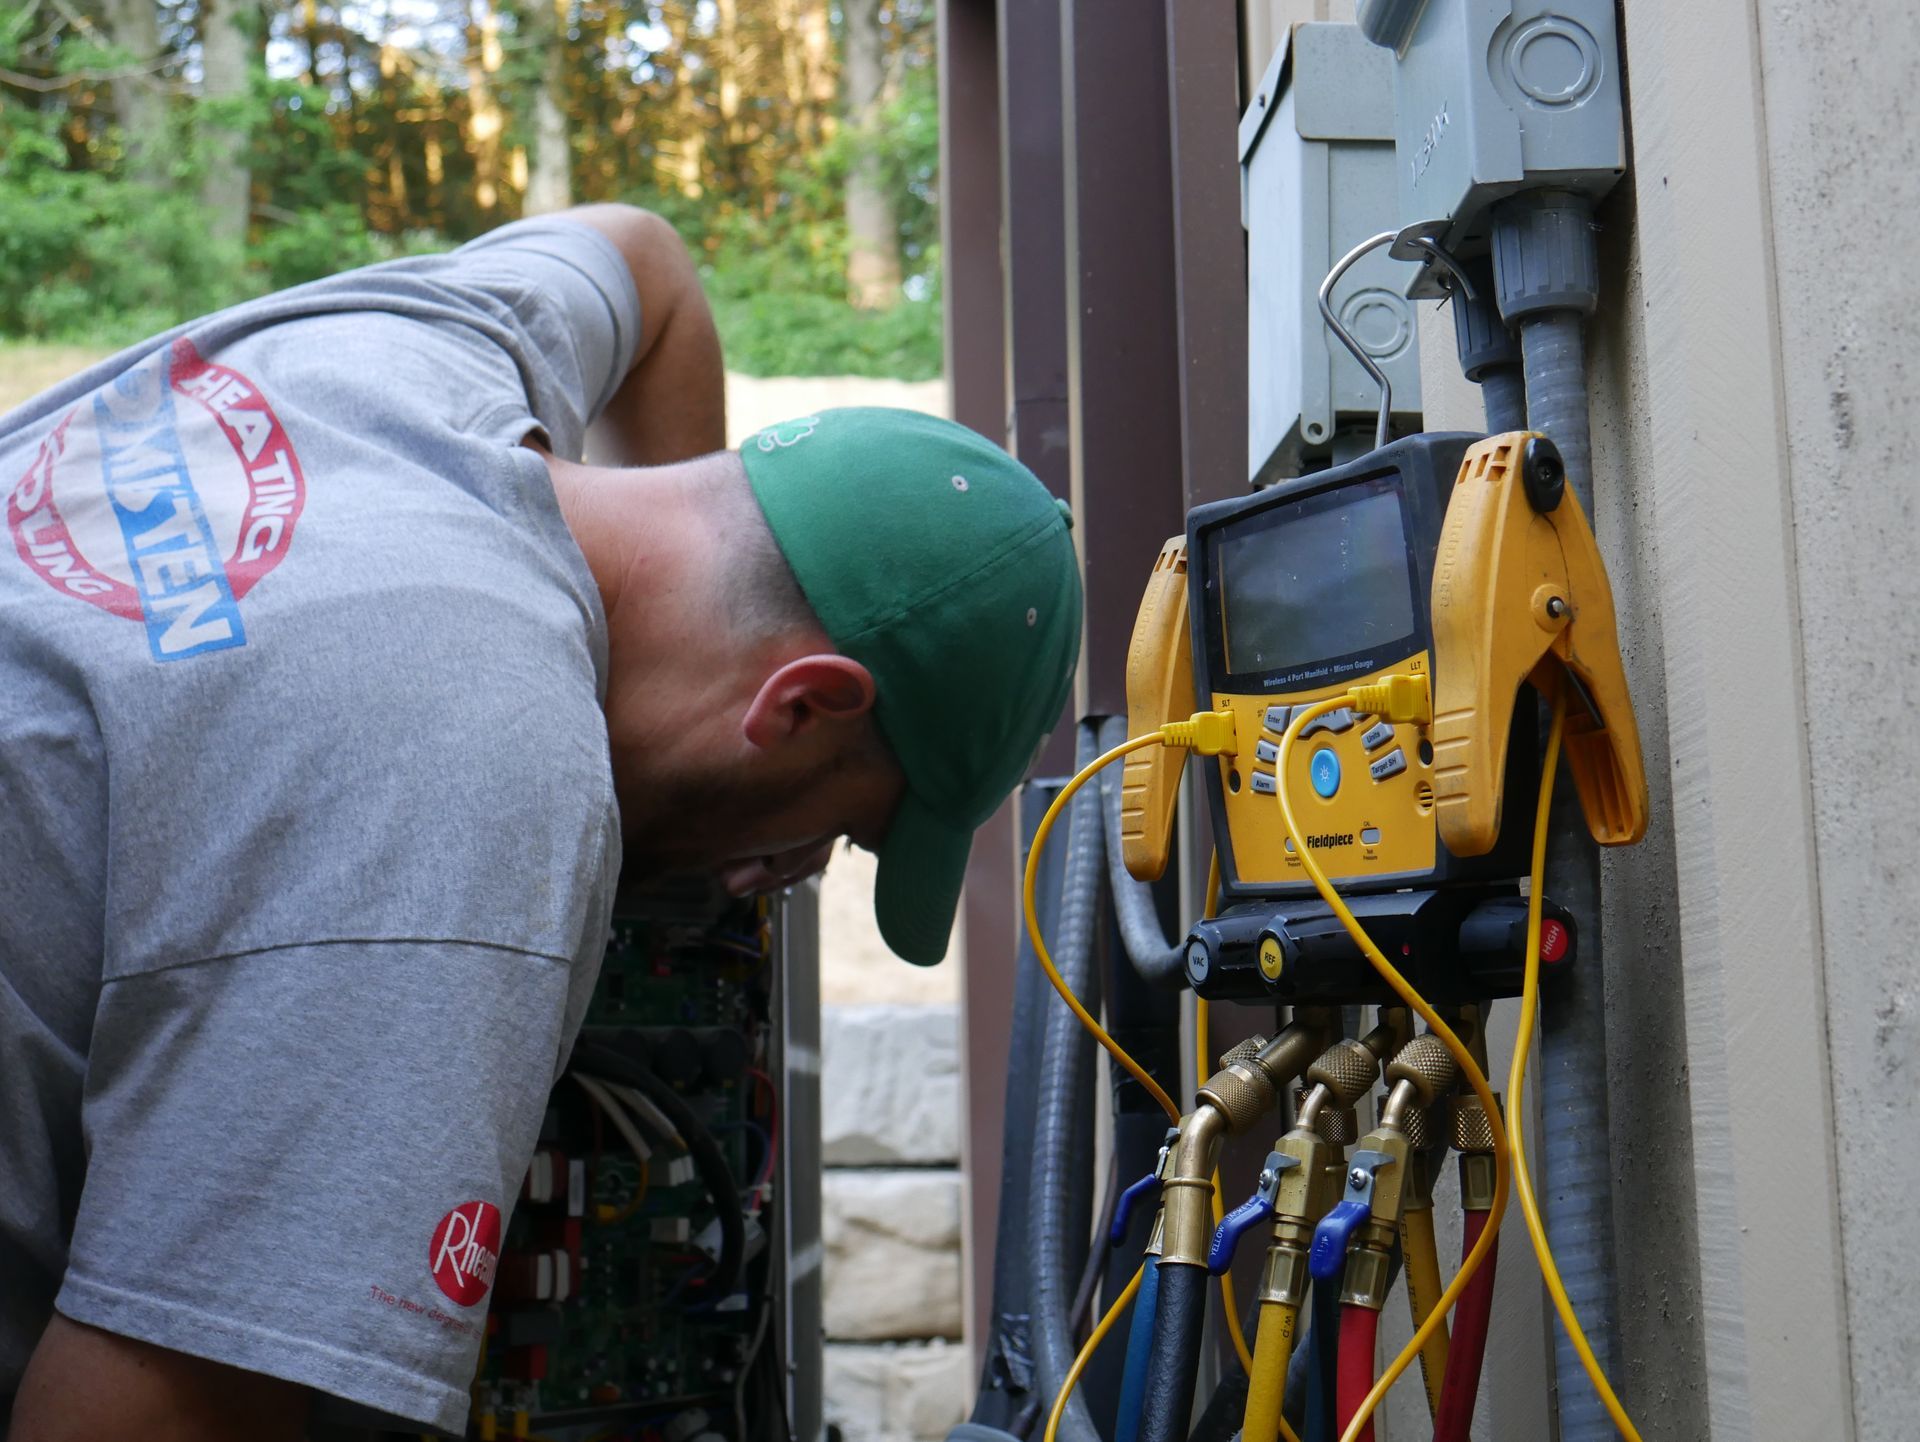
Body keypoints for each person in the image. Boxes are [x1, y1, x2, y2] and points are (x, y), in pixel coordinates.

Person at [0, 205, 1082, 1439]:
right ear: (803, 702)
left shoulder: (420, 346)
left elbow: (647, 260)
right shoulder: (474, 816)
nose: (773, 873)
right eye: (840, 831)